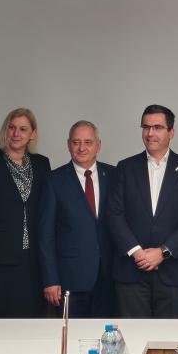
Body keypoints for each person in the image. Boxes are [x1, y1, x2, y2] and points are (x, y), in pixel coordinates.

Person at [108, 105, 178, 318]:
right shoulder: (125, 167)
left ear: (171, 132)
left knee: (168, 335)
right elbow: (114, 214)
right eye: (146, 127)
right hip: (131, 270)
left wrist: (163, 252)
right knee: (133, 334)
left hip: (172, 272)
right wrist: (137, 252)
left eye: (158, 127)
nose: (150, 133)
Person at [0, 107, 50, 318]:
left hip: (34, 260)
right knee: (1, 322)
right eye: (12, 128)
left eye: (23, 129)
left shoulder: (42, 164)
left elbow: (47, 211)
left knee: (33, 322)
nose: (16, 134)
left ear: (32, 134)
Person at [39, 120, 116, 318]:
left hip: (109, 278)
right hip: (70, 279)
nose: (82, 148)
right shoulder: (53, 180)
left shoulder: (114, 175)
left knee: (106, 334)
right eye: (76, 142)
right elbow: (45, 235)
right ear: (68, 145)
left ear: (98, 145)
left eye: (88, 142)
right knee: (72, 334)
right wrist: (50, 280)